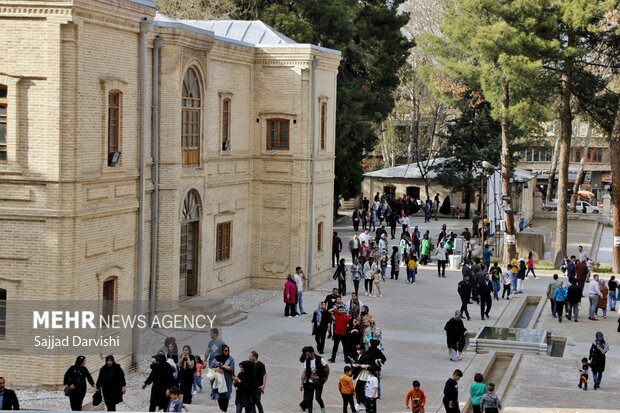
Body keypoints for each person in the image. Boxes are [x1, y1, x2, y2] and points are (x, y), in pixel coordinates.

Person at [300, 346, 329, 413]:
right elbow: (304, 373)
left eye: (308, 354)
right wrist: (301, 383)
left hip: (319, 382)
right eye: (306, 354)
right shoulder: (307, 361)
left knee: (318, 398)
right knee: (310, 399)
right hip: (310, 383)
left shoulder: (320, 359)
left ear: (312, 353)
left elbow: (327, 368)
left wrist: (326, 377)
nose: (307, 356)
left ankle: (323, 409)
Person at [212, 345, 235, 412]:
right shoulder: (216, 358)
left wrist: (221, 366)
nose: (227, 352)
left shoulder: (230, 359)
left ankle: (224, 410)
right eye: (225, 350)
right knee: (219, 395)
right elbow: (212, 367)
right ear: (221, 351)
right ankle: (221, 409)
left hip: (227, 379)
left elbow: (231, 368)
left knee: (226, 395)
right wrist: (217, 369)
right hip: (219, 379)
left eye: (228, 350)